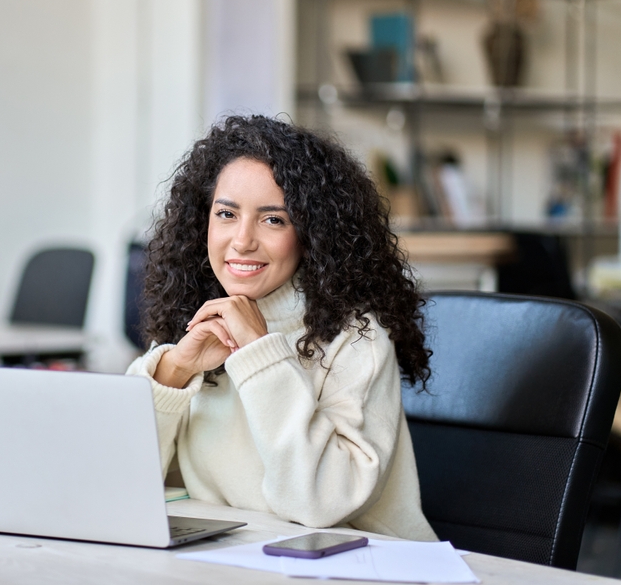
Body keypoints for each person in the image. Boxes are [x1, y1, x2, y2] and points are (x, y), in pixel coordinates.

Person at [126, 115, 437, 541]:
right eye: (226, 214)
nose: (242, 240)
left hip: (356, 564)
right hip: (234, 559)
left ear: (310, 233)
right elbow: (120, 479)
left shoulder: (357, 335)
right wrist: (175, 372)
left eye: (273, 219)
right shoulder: (196, 319)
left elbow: (322, 504)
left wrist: (260, 356)